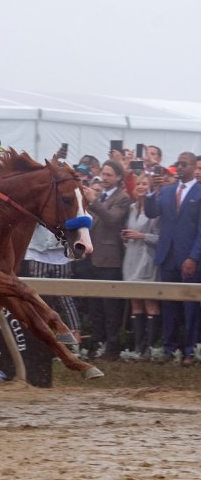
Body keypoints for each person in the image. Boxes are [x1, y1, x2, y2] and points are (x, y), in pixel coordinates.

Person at [144, 151, 201, 366]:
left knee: (190, 307)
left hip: (189, 259)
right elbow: (151, 213)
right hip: (167, 256)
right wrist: (151, 190)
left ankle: (190, 350)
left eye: (184, 164)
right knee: (169, 305)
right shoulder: (167, 192)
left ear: (194, 167)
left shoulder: (199, 192)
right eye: (178, 163)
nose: (180, 167)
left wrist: (193, 257)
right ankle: (169, 349)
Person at [84, 160, 129, 360]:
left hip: (111, 259)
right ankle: (98, 342)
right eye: (103, 173)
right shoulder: (100, 196)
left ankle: (112, 346)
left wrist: (94, 201)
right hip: (93, 256)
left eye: (109, 174)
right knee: (95, 307)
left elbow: (112, 219)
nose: (105, 177)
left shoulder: (122, 198)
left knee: (111, 307)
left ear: (119, 177)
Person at [121, 173, 160, 359]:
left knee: (149, 302)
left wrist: (142, 236)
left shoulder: (156, 211)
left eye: (145, 183)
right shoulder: (131, 208)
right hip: (130, 259)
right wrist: (126, 235)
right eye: (139, 184)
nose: (142, 186)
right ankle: (138, 347)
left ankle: (151, 348)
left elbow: (161, 238)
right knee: (135, 303)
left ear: (151, 187)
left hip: (147, 259)